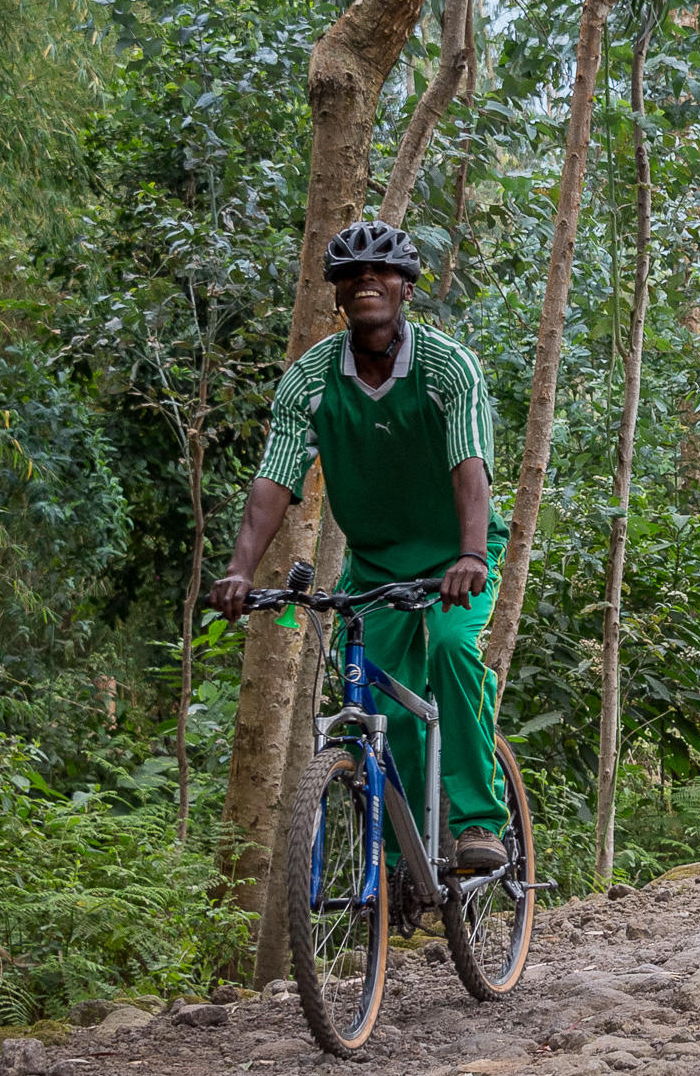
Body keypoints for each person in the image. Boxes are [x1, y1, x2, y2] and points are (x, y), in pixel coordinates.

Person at [208, 220, 511, 870]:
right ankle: (408, 864)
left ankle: (481, 822)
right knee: (382, 702)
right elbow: (273, 479)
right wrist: (238, 569)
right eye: (352, 275)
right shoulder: (310, 379)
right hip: (377, 563)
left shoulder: (447, 367)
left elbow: (471, 468)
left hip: (460, 553)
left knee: (456, 654)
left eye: (381, 272)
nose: (366, 282)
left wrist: (469, 554)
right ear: (338, 293)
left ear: (406, 287)